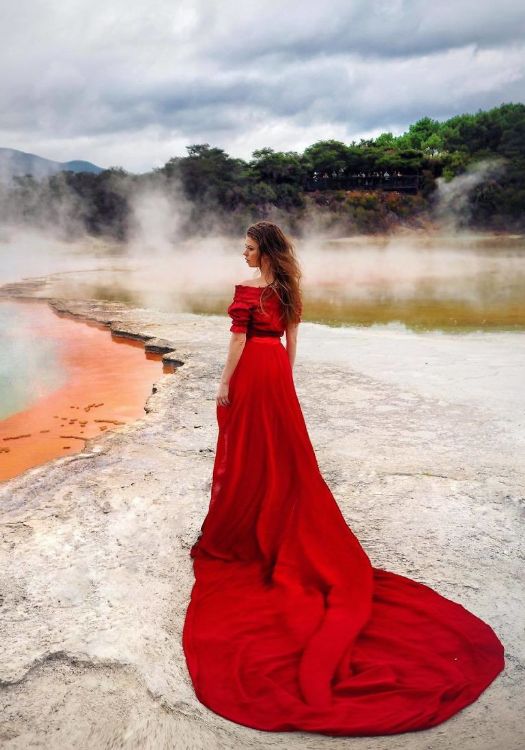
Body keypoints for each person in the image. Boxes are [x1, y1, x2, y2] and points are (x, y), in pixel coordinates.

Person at [182, 221, 504, 736]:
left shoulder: (248, 293)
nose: (242, 255)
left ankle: (242, 523)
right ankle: (271, 514)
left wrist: (224, 383)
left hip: (253, 373)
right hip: (277, 374)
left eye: (246, 248)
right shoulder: (286, 290)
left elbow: (239, 342)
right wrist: (285, 378)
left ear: (262, 250)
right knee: (286, 456)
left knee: (247, 451)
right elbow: (291, 339)